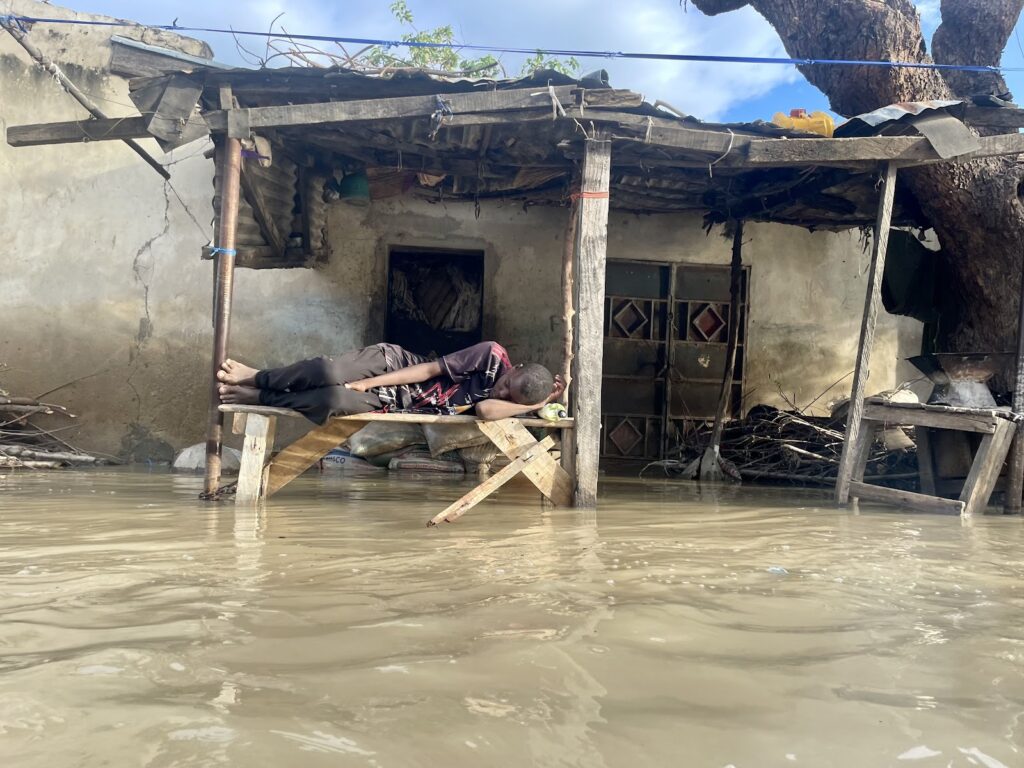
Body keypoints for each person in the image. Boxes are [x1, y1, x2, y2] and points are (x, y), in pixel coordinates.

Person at [217, 340, 564, 424]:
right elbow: (428, 371)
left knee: (332, 402)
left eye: (510, 395)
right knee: (329, 373)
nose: (501, 388)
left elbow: (486, 410)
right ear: (514, 366)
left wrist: (537, 404)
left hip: (398, 402)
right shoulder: (491, 354)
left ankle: (261, 394)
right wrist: (370, 383)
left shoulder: (510, 406)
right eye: (508, 382)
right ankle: (256, 376)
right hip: (394, 366)